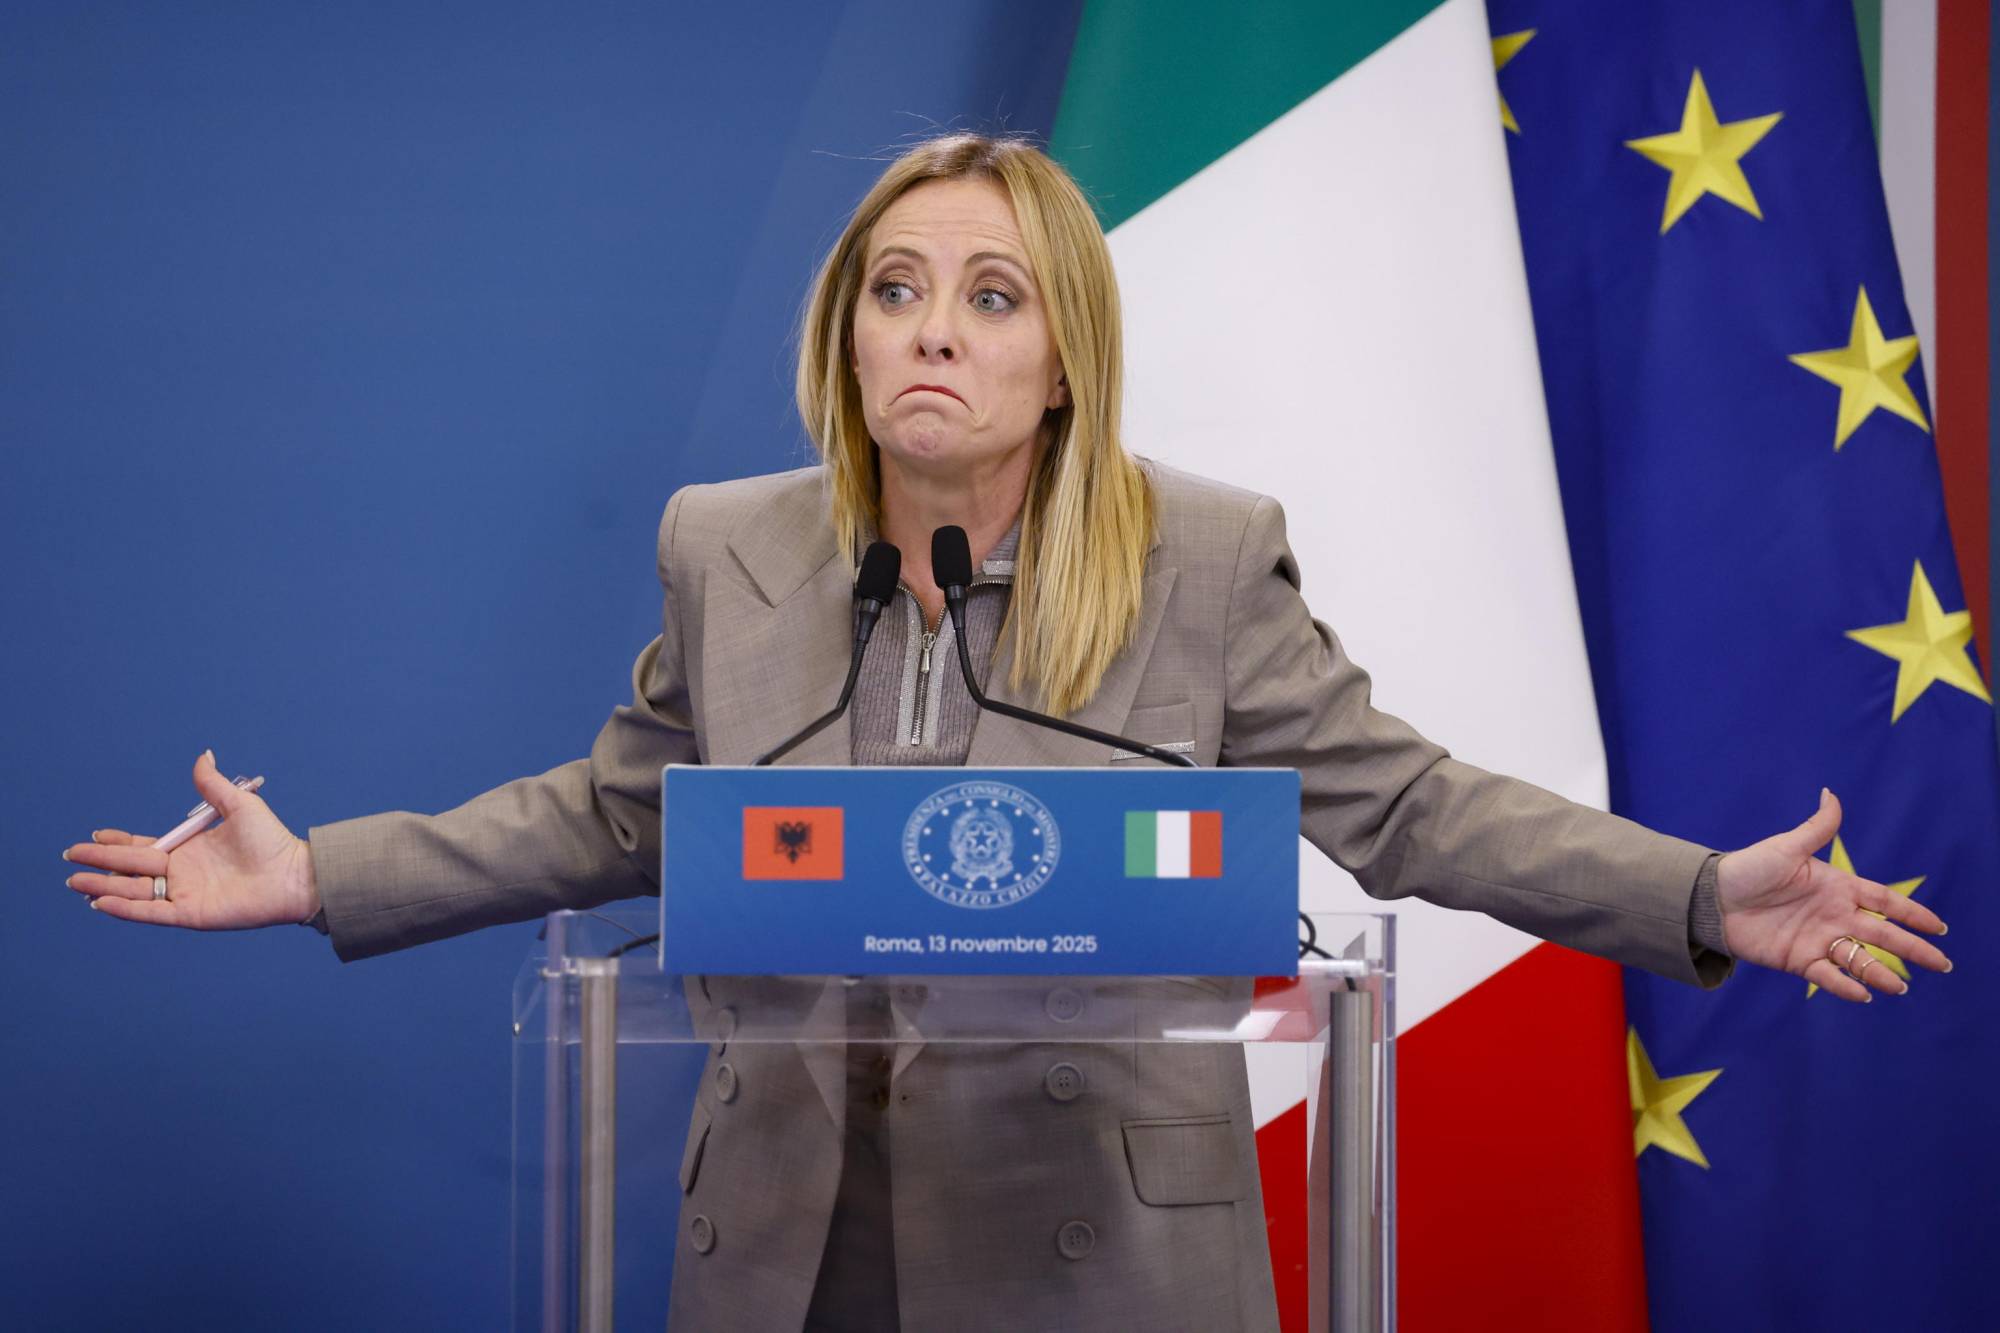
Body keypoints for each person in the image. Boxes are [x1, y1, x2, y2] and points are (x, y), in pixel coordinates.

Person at [63, 134, 1953, 1331]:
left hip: (1092, 1253)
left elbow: (1410, 807)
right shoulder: (733, 550)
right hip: (796, 1250)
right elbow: (615, 813)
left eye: (988, 298)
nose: (932, 333)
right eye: (895, 292)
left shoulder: (1198, 559)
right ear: (846, 334)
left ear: (1064, 362)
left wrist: (1700, 895)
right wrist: (318, 874)